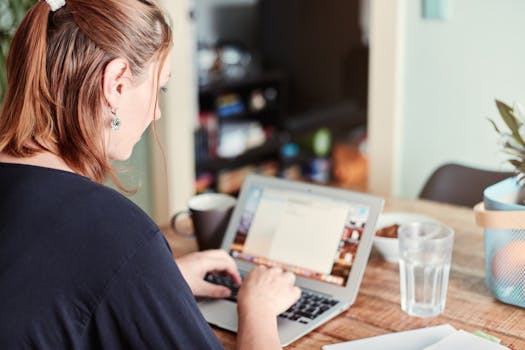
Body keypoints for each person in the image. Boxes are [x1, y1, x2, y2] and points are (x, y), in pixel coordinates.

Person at [0, 0, 300, 349]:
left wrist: (157, 284)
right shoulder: (114, 230)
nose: (156, 112)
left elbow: (39, 295)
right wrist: (258, 309)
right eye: (160, 88)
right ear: (116, 84)